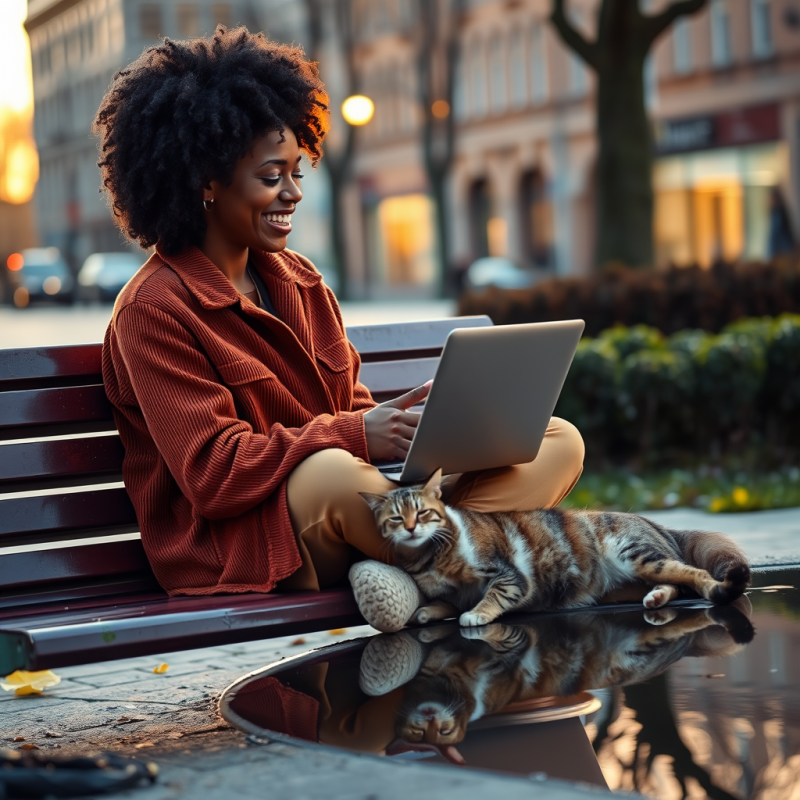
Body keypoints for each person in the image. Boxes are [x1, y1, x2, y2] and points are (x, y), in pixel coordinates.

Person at [96, 27, 584, 600]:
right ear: (206, 183)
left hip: (355, 505)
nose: (293, 193)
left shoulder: (300, 281)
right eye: (270, 177)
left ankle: (427, 572)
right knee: (332, 474)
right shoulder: (153, 310)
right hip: (247, 538)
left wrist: (416, 432)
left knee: (555, 440)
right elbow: (214, 476)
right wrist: (355, 436)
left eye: (296, 173)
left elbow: (347, 409)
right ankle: (470, 567)